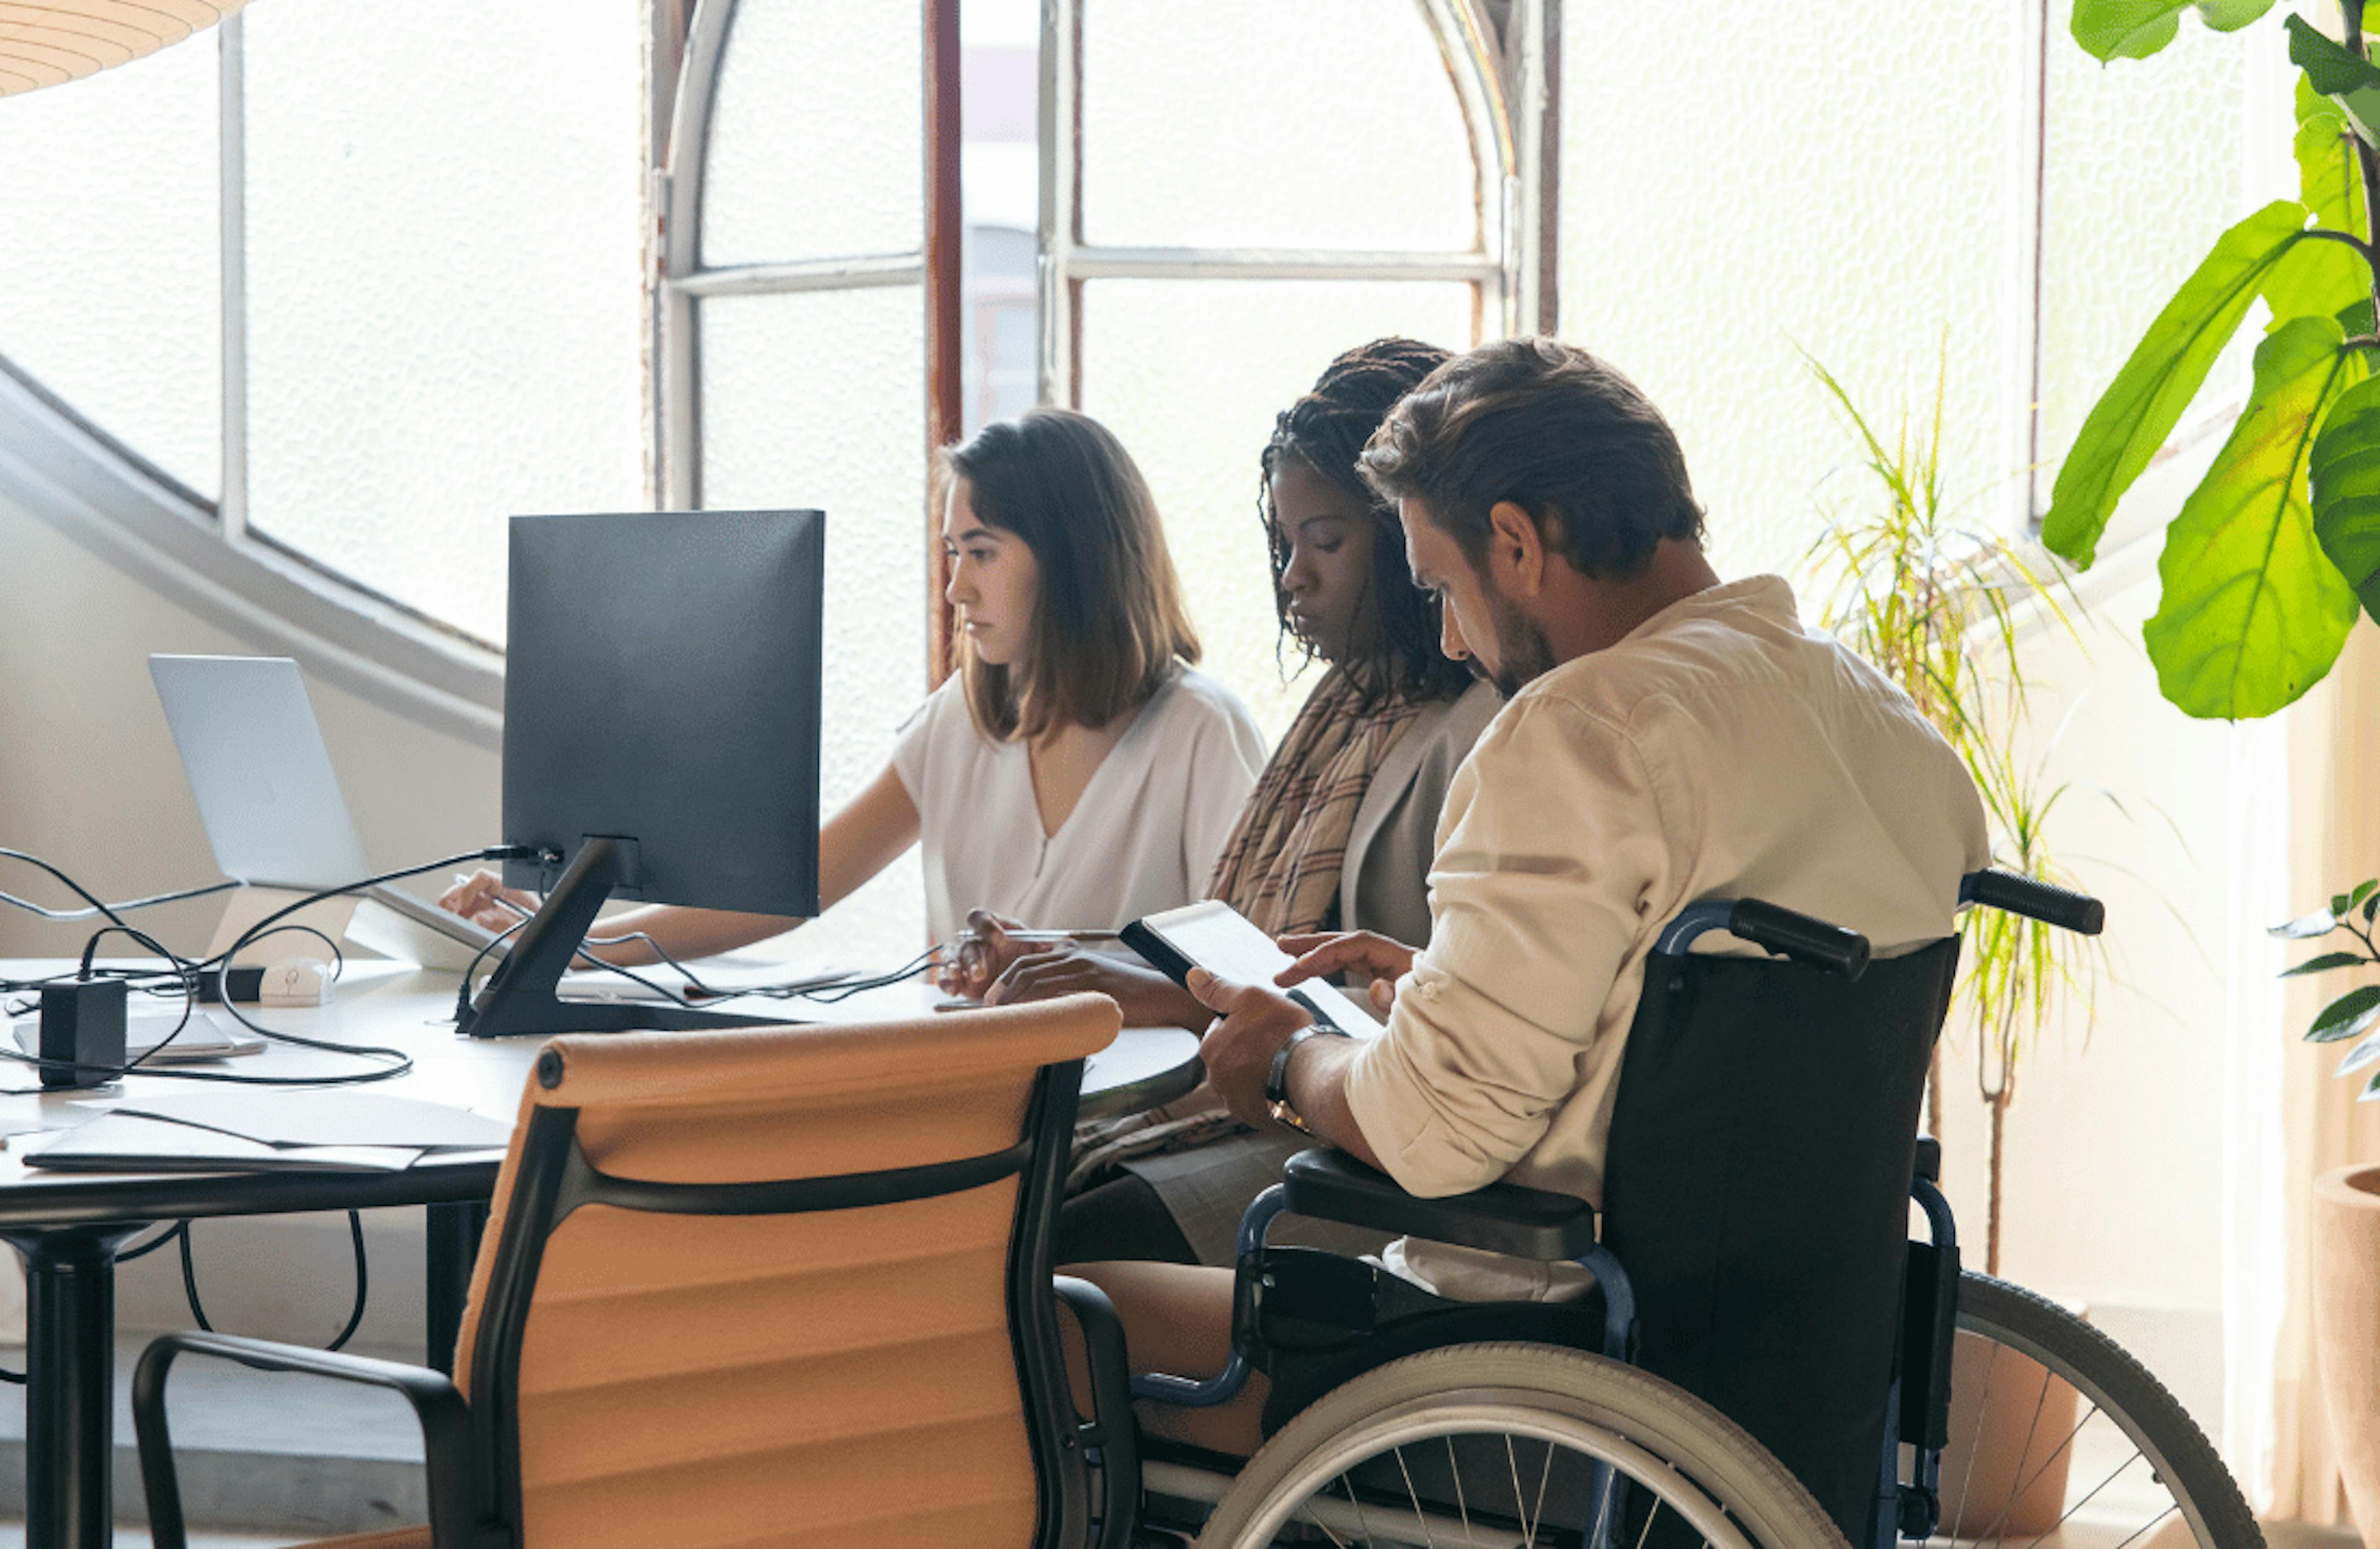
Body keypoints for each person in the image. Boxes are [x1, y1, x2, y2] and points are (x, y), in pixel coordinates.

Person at [1168, 335, 1991, 1301]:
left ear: (1514, 544)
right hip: (1786, 1335)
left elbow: (1437, 1135)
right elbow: (1700, 1053)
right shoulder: (1886, 723)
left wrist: (1287, 1062)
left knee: (1071, 1316)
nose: (1449, 639)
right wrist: (1448, 988)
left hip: (1520, 1352)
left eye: (1440, 587)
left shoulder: (1575, 732)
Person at [942, 339, 1501, 1268]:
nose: (1294, 579)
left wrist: (1149, 994)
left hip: (1358, 1143)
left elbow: (1411, 1021)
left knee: (1048, 1242)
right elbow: (1261, 956)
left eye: (1327, 542)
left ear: (1415, 527)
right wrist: (1077, 961)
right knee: (1001, 1205)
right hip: (1299, 1105)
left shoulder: (1477, 730)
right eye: (1284, 546)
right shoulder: (1348, 711)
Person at [441, 407, 1269, 963]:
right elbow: (791, 890)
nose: (957, 590)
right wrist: (563, 944)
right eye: (954, 553)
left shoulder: (1199, 732)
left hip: (1115, 1121)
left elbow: (1246, 974)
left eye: (982, 551)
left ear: (1076, 555)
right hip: (978, 1104)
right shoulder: (964, 723)